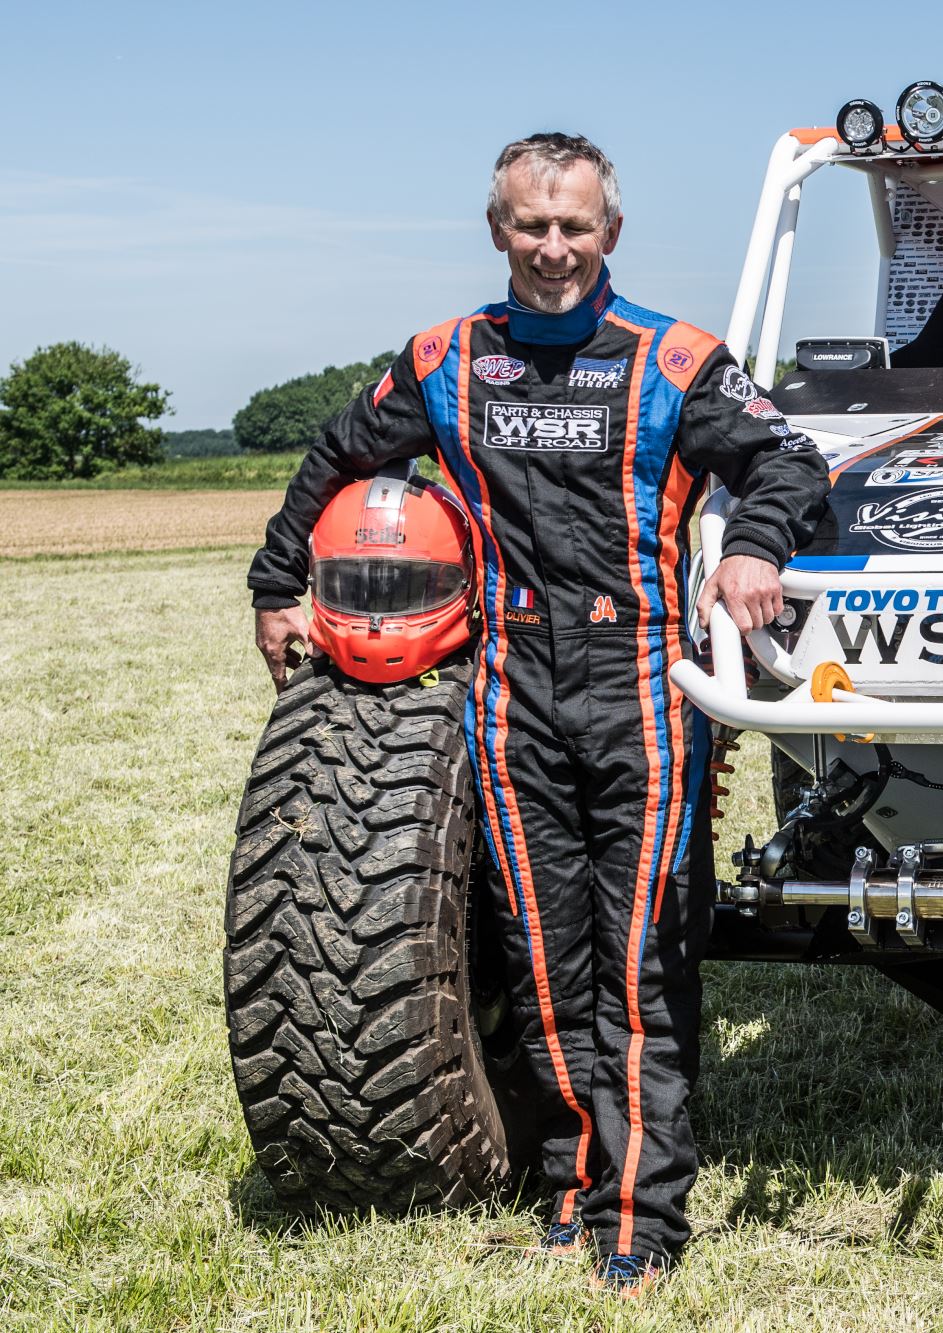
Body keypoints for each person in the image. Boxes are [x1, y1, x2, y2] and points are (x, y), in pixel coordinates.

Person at [246, 133, 828, 1291]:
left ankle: (642, 1211)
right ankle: (569, 1172)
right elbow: (335, 454)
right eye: (529, 225)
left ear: (609, 233)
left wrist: (754, 548)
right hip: (508, 692)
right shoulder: (443, 360)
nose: (552, 248)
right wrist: (276, 587)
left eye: (573, 227)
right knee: (543, 954)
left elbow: (790, 460)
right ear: (496, 230)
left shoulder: (676, 358)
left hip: (643, 691)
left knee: (639, 960)